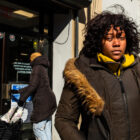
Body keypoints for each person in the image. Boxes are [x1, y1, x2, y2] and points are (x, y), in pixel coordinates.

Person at [55, 6, 140, 140]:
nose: (116, 43)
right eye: (109, 38)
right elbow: (64, 119)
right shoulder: (80, 73)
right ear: (98, 41)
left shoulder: (136, 69)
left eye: (121, 37)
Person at [16, 52, 57, 140]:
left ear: (33, 59)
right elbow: (36, 85)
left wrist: (21, 100)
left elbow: (33, 86)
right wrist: (18, 91)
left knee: (37, 128)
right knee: (45, 129)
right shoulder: (42, 68)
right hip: (49, 102)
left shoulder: (36, 68)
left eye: (30, 59)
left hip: (42, 103)